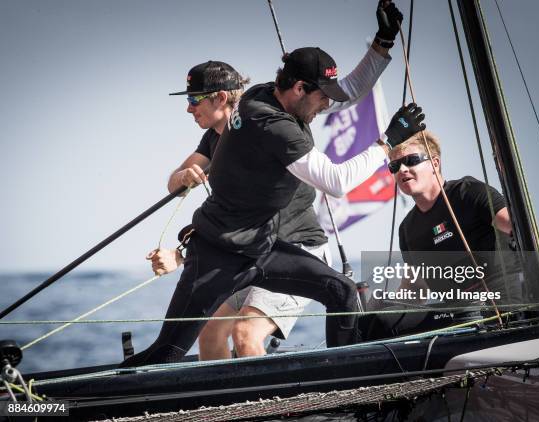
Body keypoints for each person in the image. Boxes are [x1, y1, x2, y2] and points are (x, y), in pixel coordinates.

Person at [121, 15, 425, 366]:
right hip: (219, 254)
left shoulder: (264, 92)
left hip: (264, 247)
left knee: (341, 291)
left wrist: (382, 42)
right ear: (298, 89)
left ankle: (340, 383)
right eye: (321, 97)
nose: (329, 105)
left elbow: (346, 94)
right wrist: (386, 143)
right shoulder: (272, 125)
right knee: (167, 351)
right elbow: (337, 182)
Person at [360, 130, 518, 340]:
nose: (403, 170)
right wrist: (384, 305)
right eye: (395, 166)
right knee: (372, 324)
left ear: (435, 163)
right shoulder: (407, 228)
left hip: (506, 305)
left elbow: (518, 229)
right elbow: (416, 291)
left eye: (411, 160)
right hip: (457, 316)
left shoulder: (469, 192)